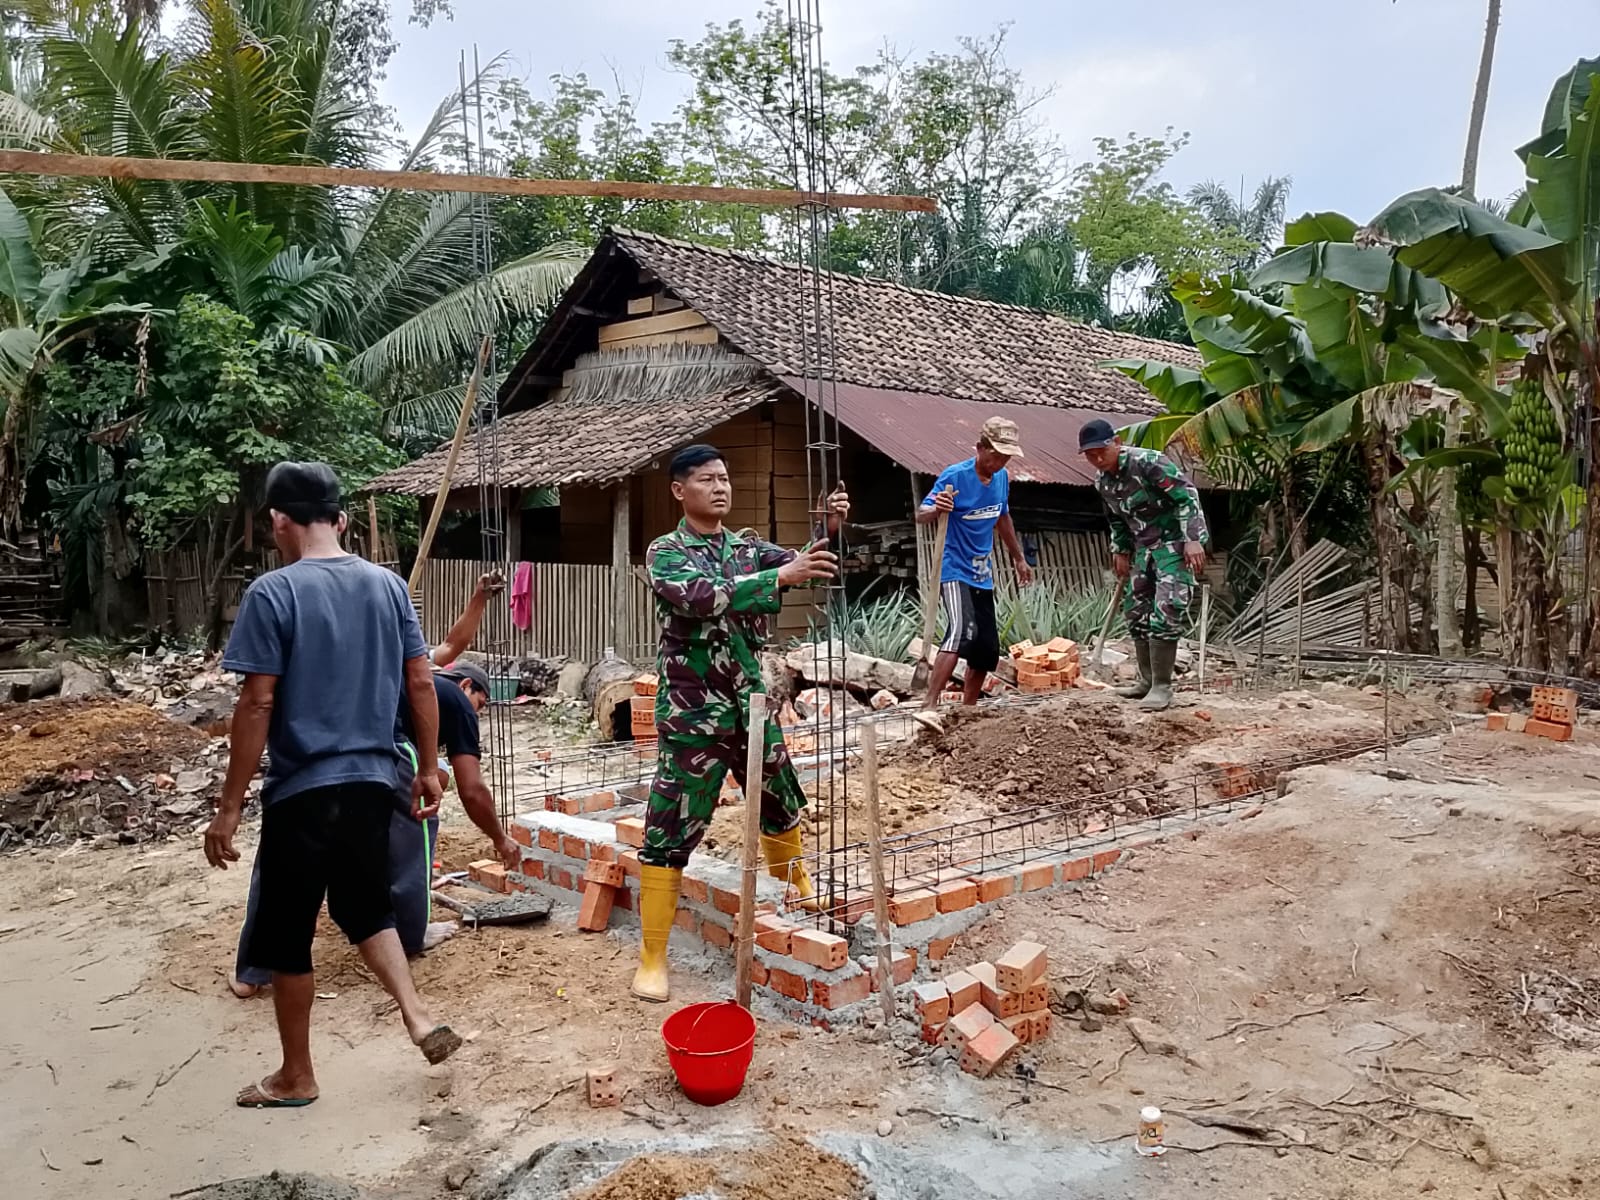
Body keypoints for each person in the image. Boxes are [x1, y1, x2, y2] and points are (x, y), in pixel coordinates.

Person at [204, 461, 461, 1110]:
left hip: (305, 790)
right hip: (375, 782)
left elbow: (257, 703)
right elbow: (422, 681)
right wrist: (428, 768)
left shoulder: (273, 593)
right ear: (341, 520)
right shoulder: (388, 586)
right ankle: (417, 1017)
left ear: (278, 521)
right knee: (365, 906)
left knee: (288, 934)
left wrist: (229, 808)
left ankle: (296, 1076)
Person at [632, 444, 848, 1003]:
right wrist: (779, 575)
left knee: (779, 797)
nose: (720, 487)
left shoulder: (748, 547)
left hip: (751, 703)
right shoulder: (666, 551)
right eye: (707, 479)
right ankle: (653, 956)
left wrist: (828, 528)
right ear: (679, 490)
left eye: (724, 478)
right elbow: (700, 598)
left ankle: (793, 893)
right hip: (693, 713)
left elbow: (801, 563)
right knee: (671, 822)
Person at [228, 659, 518, 997]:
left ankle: (253, 971)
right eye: (481, 703)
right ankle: (411, 935)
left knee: (284, 850)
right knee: (415, 828)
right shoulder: (454, 699)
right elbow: (472, 789)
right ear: (467, 686)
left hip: (313, 737)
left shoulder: (393, 670)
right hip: (379, 746)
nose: (478, 712)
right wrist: (501, 838)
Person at [913, 416, 1034, 733]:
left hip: (982, 572)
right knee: (961, 631)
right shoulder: (955, 476)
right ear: (980, 448)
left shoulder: (1002, 478)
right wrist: (937, 508)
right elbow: (921, 514)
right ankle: (929, 705)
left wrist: (1018, 558)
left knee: (986, 647)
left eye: (1006, 457)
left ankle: (968, 710)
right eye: (996, 455)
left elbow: (1002, 517)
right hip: (954, 569)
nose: (1001, 462)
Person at [1079, 419, 1209, 711]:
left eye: (1101, 451)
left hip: (1175, 546)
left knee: (1167, 609)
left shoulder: (1148, 462)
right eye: (1090, 455)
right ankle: (1147, 681)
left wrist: (1193, 539)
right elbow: (1116, 518)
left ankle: (1162, 686)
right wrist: (1121, 549)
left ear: (1117, 442)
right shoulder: (1103, 482)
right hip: (1144, 549)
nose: (1097, 459)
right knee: (1136, 612)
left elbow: (1187, 496)